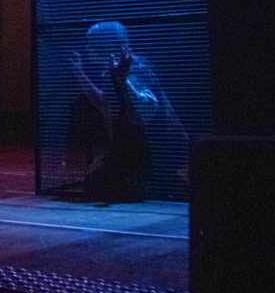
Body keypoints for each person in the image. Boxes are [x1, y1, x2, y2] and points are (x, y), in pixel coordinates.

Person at [67, 21, 188, 202]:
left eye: (91, 44)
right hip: (143, 148)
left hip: (157, 148)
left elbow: (146, 107)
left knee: (99, 184)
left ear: (104, 46)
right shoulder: (114, 71)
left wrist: (123, 82)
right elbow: (106, 103)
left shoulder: (132, 70)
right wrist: (81, 75)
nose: (87, 48)